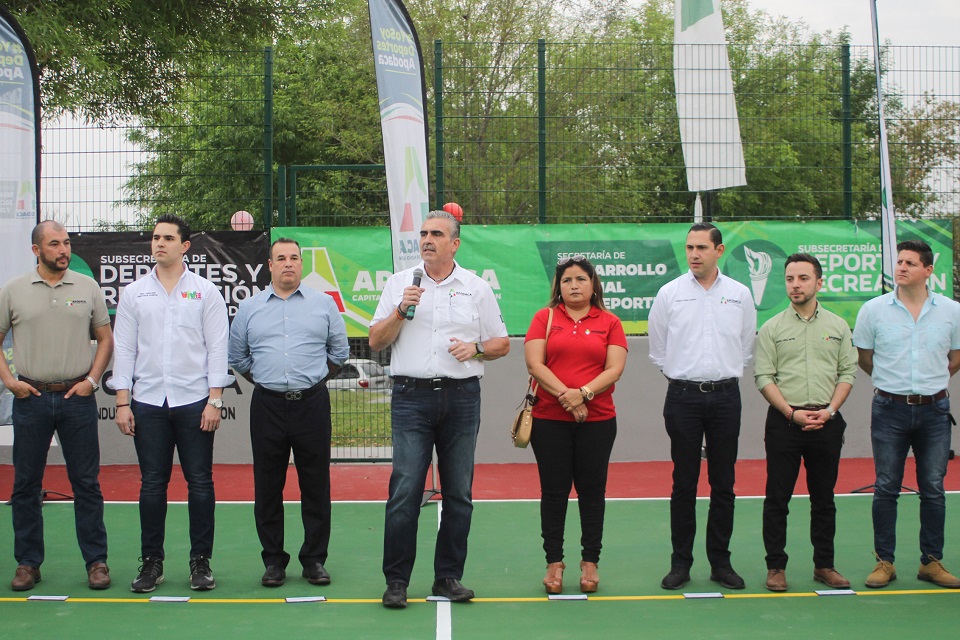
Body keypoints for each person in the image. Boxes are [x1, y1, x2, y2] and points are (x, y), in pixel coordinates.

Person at [370, 210, 509, 609]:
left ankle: (448, 577)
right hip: (411, 397)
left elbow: (500, 343)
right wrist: (401, 309)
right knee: (405, 490)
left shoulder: (476, 288)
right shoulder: (400, 284)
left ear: (455, 244)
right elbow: (376, 340)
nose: (427, 240)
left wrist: (475, 348)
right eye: (423, 233)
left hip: (461, 397)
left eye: (436, 234)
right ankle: (397, 581)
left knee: (459, 493)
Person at [111, 214, 233, 593]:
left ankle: (201, 562)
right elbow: (124, 349)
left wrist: (215, 400)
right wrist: (122, 402)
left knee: (200, 483)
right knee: (152, 484)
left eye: (167, 238)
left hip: (195, 402)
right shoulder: (134, 293)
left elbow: (218, 348)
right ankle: (152, 563)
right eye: (155, 237)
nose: (159, 243)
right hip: (147, 402)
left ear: (185, 246)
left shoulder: (205, 292)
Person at [229, 238, 349, 588]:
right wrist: (268, 382)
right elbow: (238, 358)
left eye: (294, 258)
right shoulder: (249, 308)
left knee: (316, 485)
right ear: (270, 265)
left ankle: (314, 560)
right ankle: (273, 561)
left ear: (301, 264)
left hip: (312, 404)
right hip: (267, 405)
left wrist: (311, 382)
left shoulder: (324, 304)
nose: (288, 263)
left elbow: (339, 354)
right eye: (280, 258)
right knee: (268, 486)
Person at [0, 220, 113, 591]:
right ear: (36, 250)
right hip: (30, 399)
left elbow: (105, 338)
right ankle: (28, 564)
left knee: (86, 484)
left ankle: (96, 562)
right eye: (54, 244)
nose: (63, 250)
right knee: (25, 485)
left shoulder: (87, 287)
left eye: (66, 243)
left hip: (76, 399)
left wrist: (91, 381)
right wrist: (10, 382)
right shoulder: (13, 290)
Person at [648, 222, 756, 591]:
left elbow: (745, 347)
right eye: (690, 247)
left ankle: (720, 563)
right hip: (683, 398)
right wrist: (686, 377)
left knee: (724, 483)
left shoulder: (740, 294)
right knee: (684, 483)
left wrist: (718, 376)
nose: (694, 254)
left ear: (718, 251)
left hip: (726, 398)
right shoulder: (669, 293)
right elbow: (658, 350)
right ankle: (680, 563)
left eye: (702, 248)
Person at [853, 239, 960, 589]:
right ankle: (885, 562)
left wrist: (931, 383)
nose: (901, 267)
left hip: (935, 411)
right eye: (899, 261)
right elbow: (865, 357)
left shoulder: (952, 311)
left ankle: (931, 562)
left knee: (933, 488)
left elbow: (956, 357)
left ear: (928, 271)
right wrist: (893, 384)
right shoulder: (873, 310)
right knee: (886, 486)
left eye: (910, 263)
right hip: (889, 409)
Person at [524, 255, 627, 594]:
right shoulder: (544, 318)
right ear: (559, 287)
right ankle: (554, 563)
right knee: (554, 492)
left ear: (593, 284)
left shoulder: (610, 322)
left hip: (598, 421)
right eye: (567, 280)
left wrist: (582, 394)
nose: (574, 285)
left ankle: (590, 562)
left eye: (581, 279)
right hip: (548, 420)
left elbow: (614, 369)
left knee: (592, 492)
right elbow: (535, 364)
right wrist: (567, 397)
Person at [753, 254, 857, 592]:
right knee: (777, 498)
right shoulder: (772, 328)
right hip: (785, 422)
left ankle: (824, 565)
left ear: (819, 283)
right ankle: (776, 567)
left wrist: (830, 411)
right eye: (789, 279)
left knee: (823, 498)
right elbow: (763, 376)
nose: (795, 285)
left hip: (827, 422)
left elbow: (847, 373)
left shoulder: (838, 327)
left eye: (803, 278)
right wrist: (790, 413)